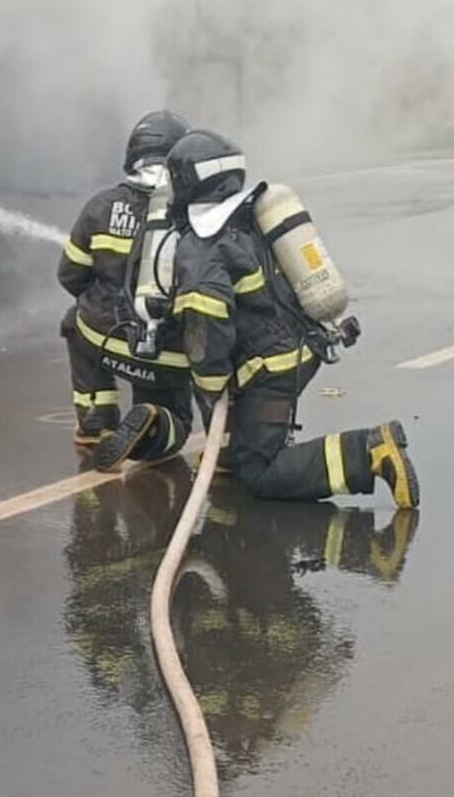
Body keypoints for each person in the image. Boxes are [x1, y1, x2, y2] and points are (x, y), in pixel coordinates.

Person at [97, 128, 419, 505]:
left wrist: (209, 381)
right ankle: (234, 449)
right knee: (241, 432)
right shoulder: (248, 215)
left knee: (262, 472)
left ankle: (369, 452)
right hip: (301, 346)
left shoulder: (201, 249)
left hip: (271, 369)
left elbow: (206, 326)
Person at [57, 110, 194, 456]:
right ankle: (155, 421)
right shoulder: (194, 213)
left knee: (74, 321)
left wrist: (105, 305)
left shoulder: (100, 207)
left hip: (106, 341)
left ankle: (95, 424)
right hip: (168, 356)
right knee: (175, 425)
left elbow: (69, 275)